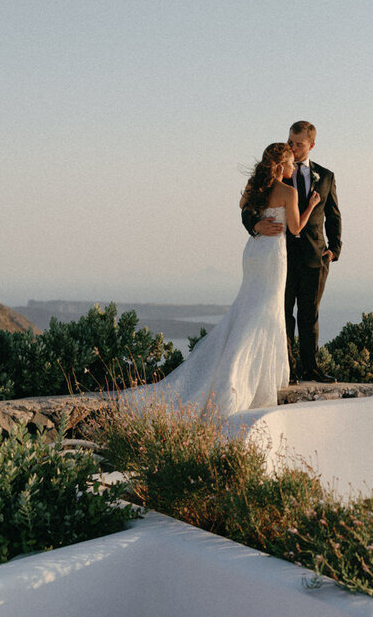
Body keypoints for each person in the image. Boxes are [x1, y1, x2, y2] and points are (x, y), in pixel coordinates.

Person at [124, 143, 318, 417]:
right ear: (280, 165)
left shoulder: (256, 186)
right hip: (274, 255)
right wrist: (310, 206)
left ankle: (236, 364)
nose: (293, 167)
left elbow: (243, 206)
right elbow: (296, 228)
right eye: (289, 163)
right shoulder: (289, 191)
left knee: (248, 305)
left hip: (254, 252)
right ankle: (246, 374)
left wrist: (256, 223)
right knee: (266, 309)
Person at [242, 120, 342, 384]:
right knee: (283, 313)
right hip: (280, 256)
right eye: (290, 143)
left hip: (315, 257)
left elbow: (333, 215)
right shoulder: (273, 175)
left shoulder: (326, 176)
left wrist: (334, 249)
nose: (294, 148)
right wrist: (255, 225)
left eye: (299, 144)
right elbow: (246, 208)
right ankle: (287, 370)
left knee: (310, 315)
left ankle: (311, 368)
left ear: (311, 145)